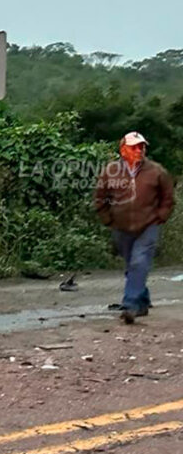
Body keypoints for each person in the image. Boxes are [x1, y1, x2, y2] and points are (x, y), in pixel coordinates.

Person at [94, 131, 175, 324]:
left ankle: (130, 305)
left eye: (142, 146)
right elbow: (100, 197)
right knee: (133, 266)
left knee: (139, 262)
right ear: (123, 149)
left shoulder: (156, 171)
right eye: (134, 147)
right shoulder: (111, 171)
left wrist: (160, 217)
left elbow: (168, 198)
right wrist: (108, 219)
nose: (139, 150)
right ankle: (142, 302)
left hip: (148, 225)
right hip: (121, 227)